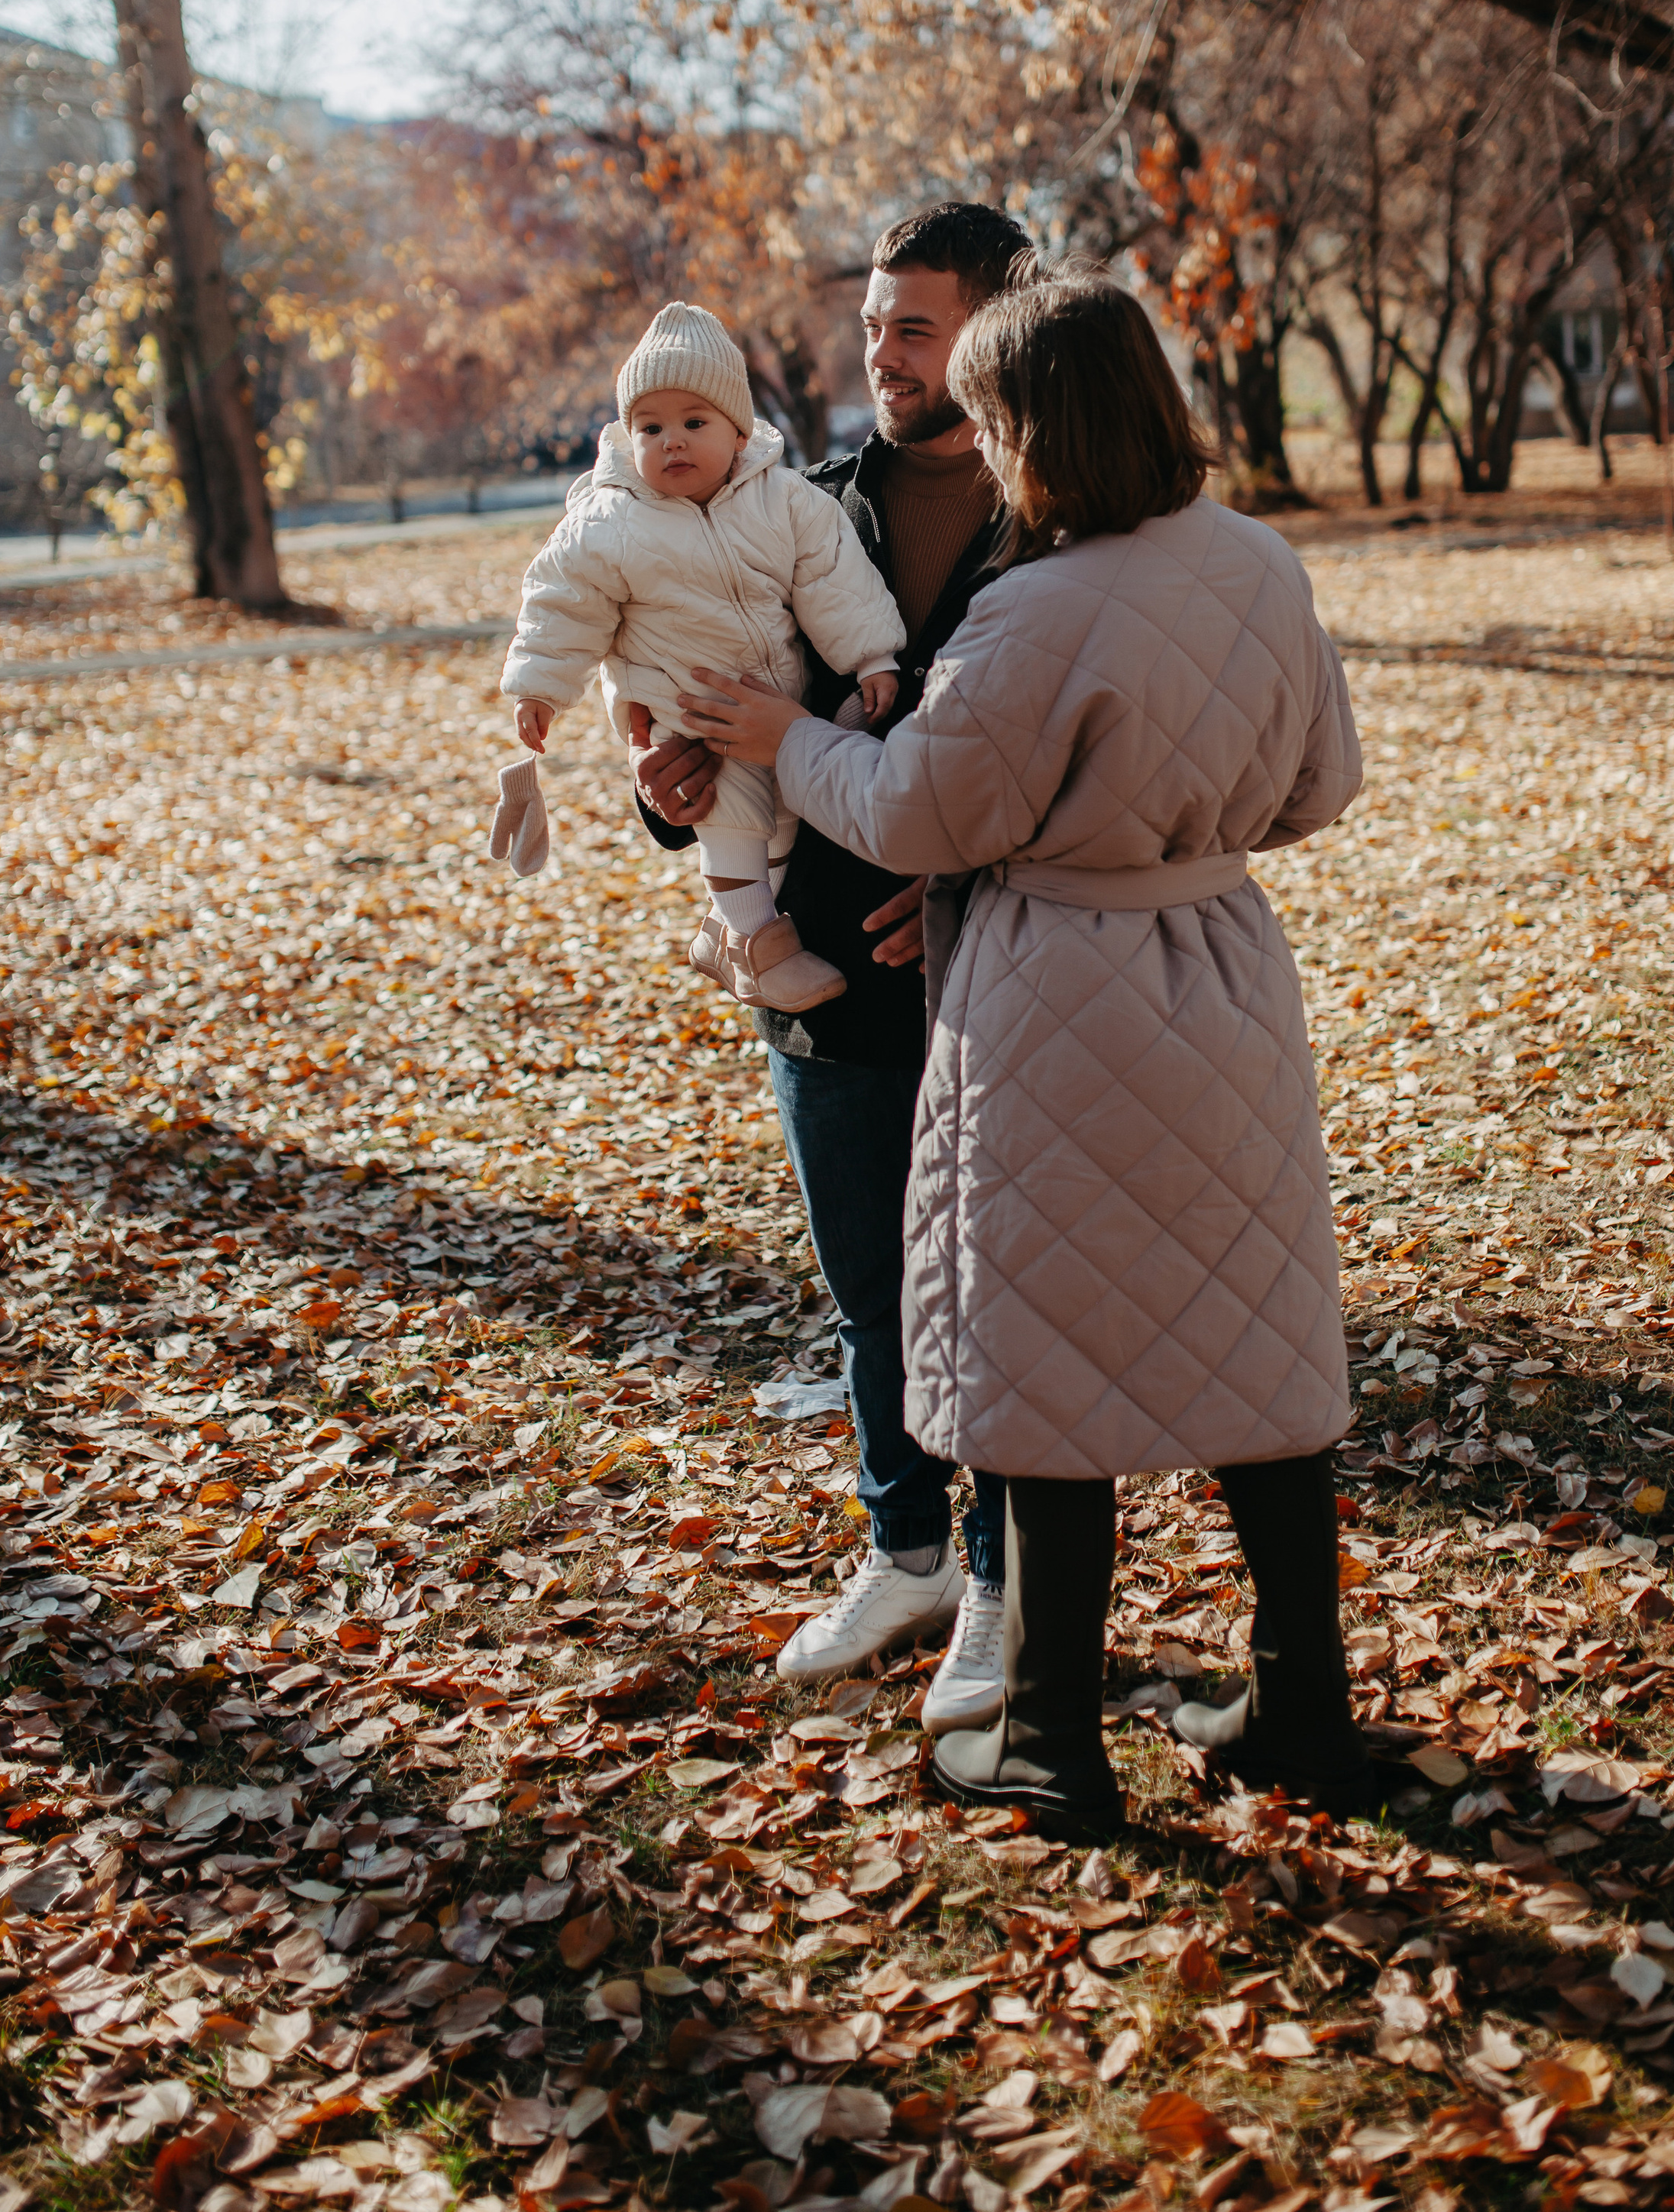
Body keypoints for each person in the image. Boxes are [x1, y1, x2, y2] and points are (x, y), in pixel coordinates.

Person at [678, 275, 1377, 1828]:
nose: (979, 452)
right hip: (1225, 982)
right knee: (1257, 1341)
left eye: (990, 422)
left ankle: (1053, 1741)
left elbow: (919, 811)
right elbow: (1318, 782)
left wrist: (781, 742)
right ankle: (1301, 1707)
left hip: (1060, 999)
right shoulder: (1257, 562)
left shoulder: (1030, 606)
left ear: (1030, 429)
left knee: (1042, 1355)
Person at [630, 207, 1023, 1725]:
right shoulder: (796, 505)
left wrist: (973, 878)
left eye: (913, 326)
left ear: (995, 329)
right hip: (827, 968)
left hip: (1004, 960)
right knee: (871, 1284)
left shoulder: (1059, 514)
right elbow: (704, 673)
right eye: (873, 324)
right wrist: (662, 786)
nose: (881, 353)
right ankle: (907, 1545)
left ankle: (1001, 1572)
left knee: (994, 1287)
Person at [496, 302, 905, 1012]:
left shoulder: (787, 501)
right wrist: (540, 687)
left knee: (783, 813)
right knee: (734, 812)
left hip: (777, 698)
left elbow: (834, 579)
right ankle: (755, 940)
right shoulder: (610, 518)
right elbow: (563, 600)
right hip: (682, 705)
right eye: (650, 428)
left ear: (739, 433)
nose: (672, 443)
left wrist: (872, 655)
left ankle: (732, 929)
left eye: (694, 423)